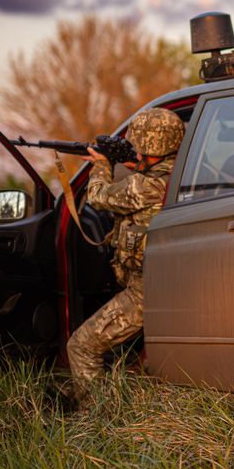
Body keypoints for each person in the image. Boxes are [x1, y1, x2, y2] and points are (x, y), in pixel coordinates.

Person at [65, 107, 185, 392]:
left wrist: (102, 165)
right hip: (172, 284)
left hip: (147, 292)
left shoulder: (146, 186)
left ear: (145, 143)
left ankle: (95, 417)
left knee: (81, 346)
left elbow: (97, 196)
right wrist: (138, 166)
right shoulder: (180, 174)